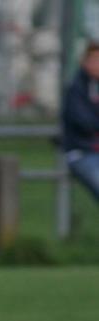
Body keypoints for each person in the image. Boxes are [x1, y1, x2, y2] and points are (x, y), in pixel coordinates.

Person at [62, 40, 99, 203]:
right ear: (85, 61)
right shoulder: (76, 88)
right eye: (95, 60)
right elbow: (83, 122)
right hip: (83, 152)